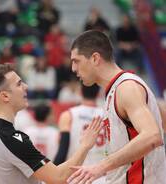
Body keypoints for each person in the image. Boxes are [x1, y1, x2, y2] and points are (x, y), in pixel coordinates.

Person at [0, 63, 102, 184]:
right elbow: (59, 177)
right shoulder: (11, 139)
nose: (26, 86)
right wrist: (85, 145)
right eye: (19, 84)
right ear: (5, 96)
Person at [67, 30, 166, 184]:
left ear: (95, 58)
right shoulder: (116, 90)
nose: (73, 68)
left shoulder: (126, 87)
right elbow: (161, 122)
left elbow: (152, 135)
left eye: (76, 61)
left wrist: (100, 167)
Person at [54, 84, 106, 184]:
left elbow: (63, 149)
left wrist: (55, 175)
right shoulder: (107, 114)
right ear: (99, 93)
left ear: (80, 92)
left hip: (76, 176)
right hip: (101, 176)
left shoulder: (68, 115)